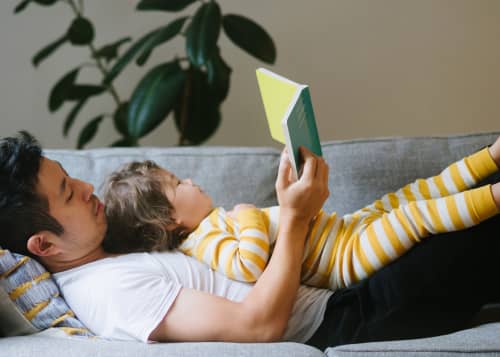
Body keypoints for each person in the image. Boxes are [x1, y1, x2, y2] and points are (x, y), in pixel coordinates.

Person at [1, 131, 500, 348]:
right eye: (68, 193)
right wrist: (296, 218)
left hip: (350, 284)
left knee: (447, 201)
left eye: (73, 178)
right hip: (354, 319)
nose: (89, 188)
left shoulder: (114, 253)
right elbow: (258, 325)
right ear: (44, 244)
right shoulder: (107, 292)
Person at [102, 140, 500, 291]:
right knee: (413, 215)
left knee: (409, 195)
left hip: (346, 230)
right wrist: (247, 217)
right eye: (177, 184)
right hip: (346, 259)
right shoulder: (201, 244)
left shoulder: (211, 224)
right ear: (168, 220)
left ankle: (489, 157)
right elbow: (250, 265)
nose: (189, 180)